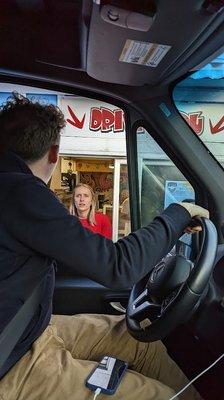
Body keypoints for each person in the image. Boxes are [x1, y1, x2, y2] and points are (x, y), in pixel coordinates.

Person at [0, 94, 208, 400]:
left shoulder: (13, 191)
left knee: (136, 339)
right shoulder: (20, 192)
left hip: (30, 330)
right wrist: (177, 216)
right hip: (12, 362)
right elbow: (118, 267)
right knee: (160, 396)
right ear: (54, 153)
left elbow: (78, 259)